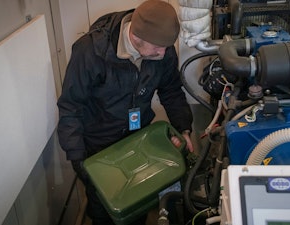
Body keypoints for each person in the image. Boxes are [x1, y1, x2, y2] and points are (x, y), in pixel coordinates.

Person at [57, 1, 193, 224]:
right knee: (104, 210)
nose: (165, 52)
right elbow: (71, 107)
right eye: (159, 48)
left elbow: (171, 91)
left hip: (139, 141)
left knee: (135, 206)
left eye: (167, 46)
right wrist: (79, 159)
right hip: (99, 148)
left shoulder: (162, 49)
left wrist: (184, 127)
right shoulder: (91, 52)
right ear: (136, 37)